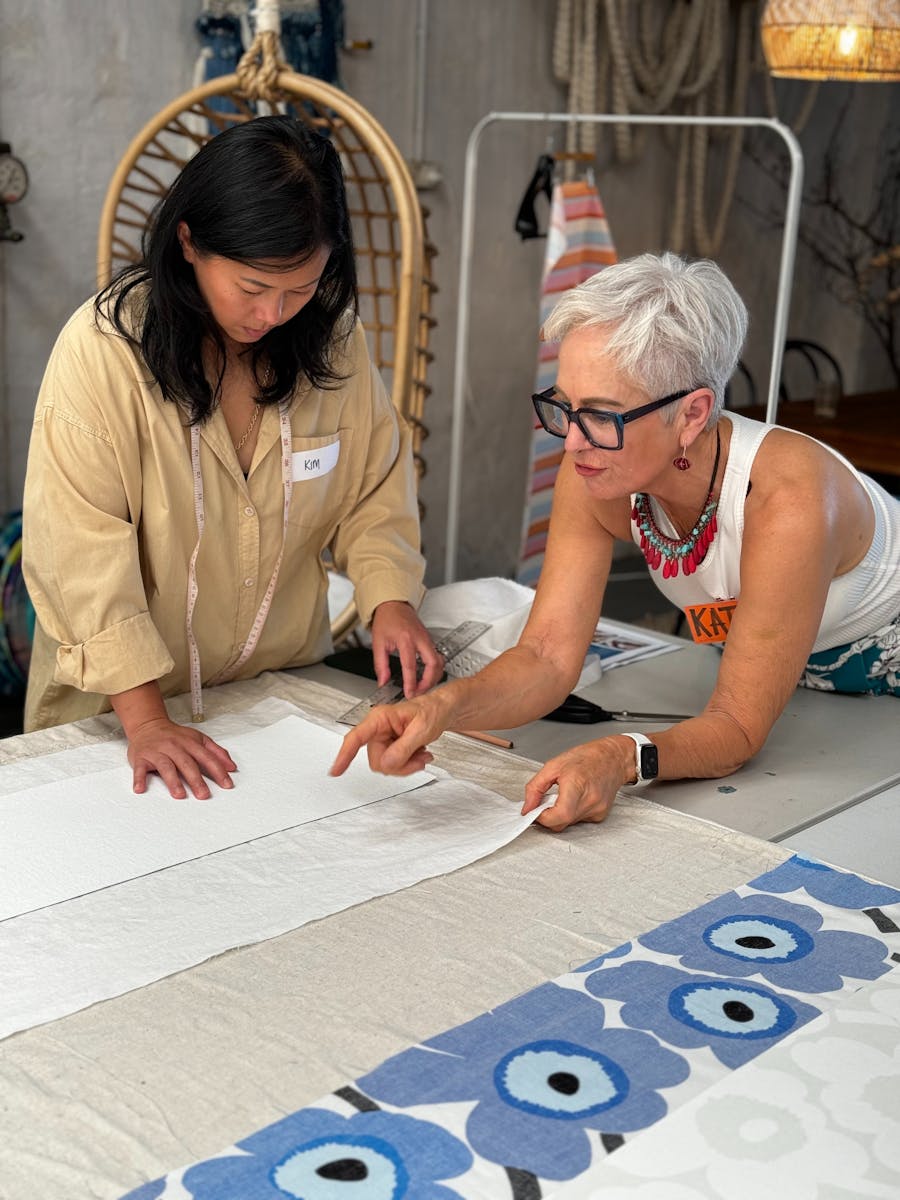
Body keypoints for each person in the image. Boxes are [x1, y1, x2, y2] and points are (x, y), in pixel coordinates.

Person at [331, 252, 900, 830]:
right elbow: (547, 658)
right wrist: (438, 708)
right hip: (811, 686)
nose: (573, 441)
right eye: (565, 407)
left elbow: (737, 728)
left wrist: (622, 756)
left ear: (692, 413)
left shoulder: (790, 499)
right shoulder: (594, 475)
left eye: (602, 416)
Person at [23, 115, 442, 798]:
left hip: (276, 701)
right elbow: (78, 556)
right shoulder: (101, 354)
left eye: (301, 288)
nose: (273, 313)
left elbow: (373, 490)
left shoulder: (333, 345)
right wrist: (148, 722)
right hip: (116, 713)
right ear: (189, 242)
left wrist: (388, 598)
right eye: (251, 288)